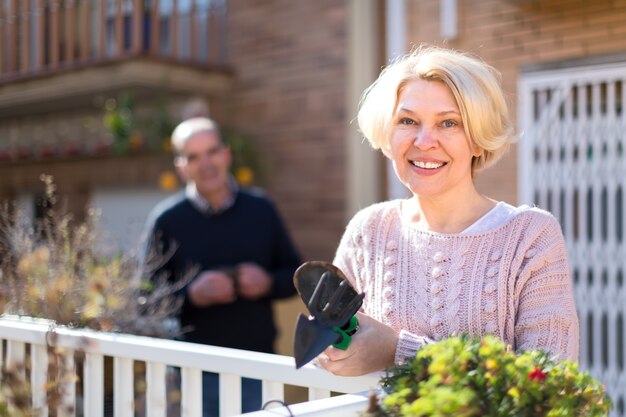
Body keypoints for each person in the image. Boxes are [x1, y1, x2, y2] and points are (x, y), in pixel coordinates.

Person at [317, 45, 579, 376]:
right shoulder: (369, 230)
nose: (424, 141)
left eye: (449, 123)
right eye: (408, 120)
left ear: (478, 138)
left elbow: (551, 380)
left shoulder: (530, 236)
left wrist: (398, 350)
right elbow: (331, 348)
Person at [144, 117, 301, 416]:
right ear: (180, 167)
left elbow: (294, 274)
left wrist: (267, 282)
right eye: (193, 157)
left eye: (212, 151)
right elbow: (144, 297)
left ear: (226, 154)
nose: (206, 164)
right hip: (195, 369)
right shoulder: (166, 220)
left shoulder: (262, 209)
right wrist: (192, 294)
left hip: (258, 364)